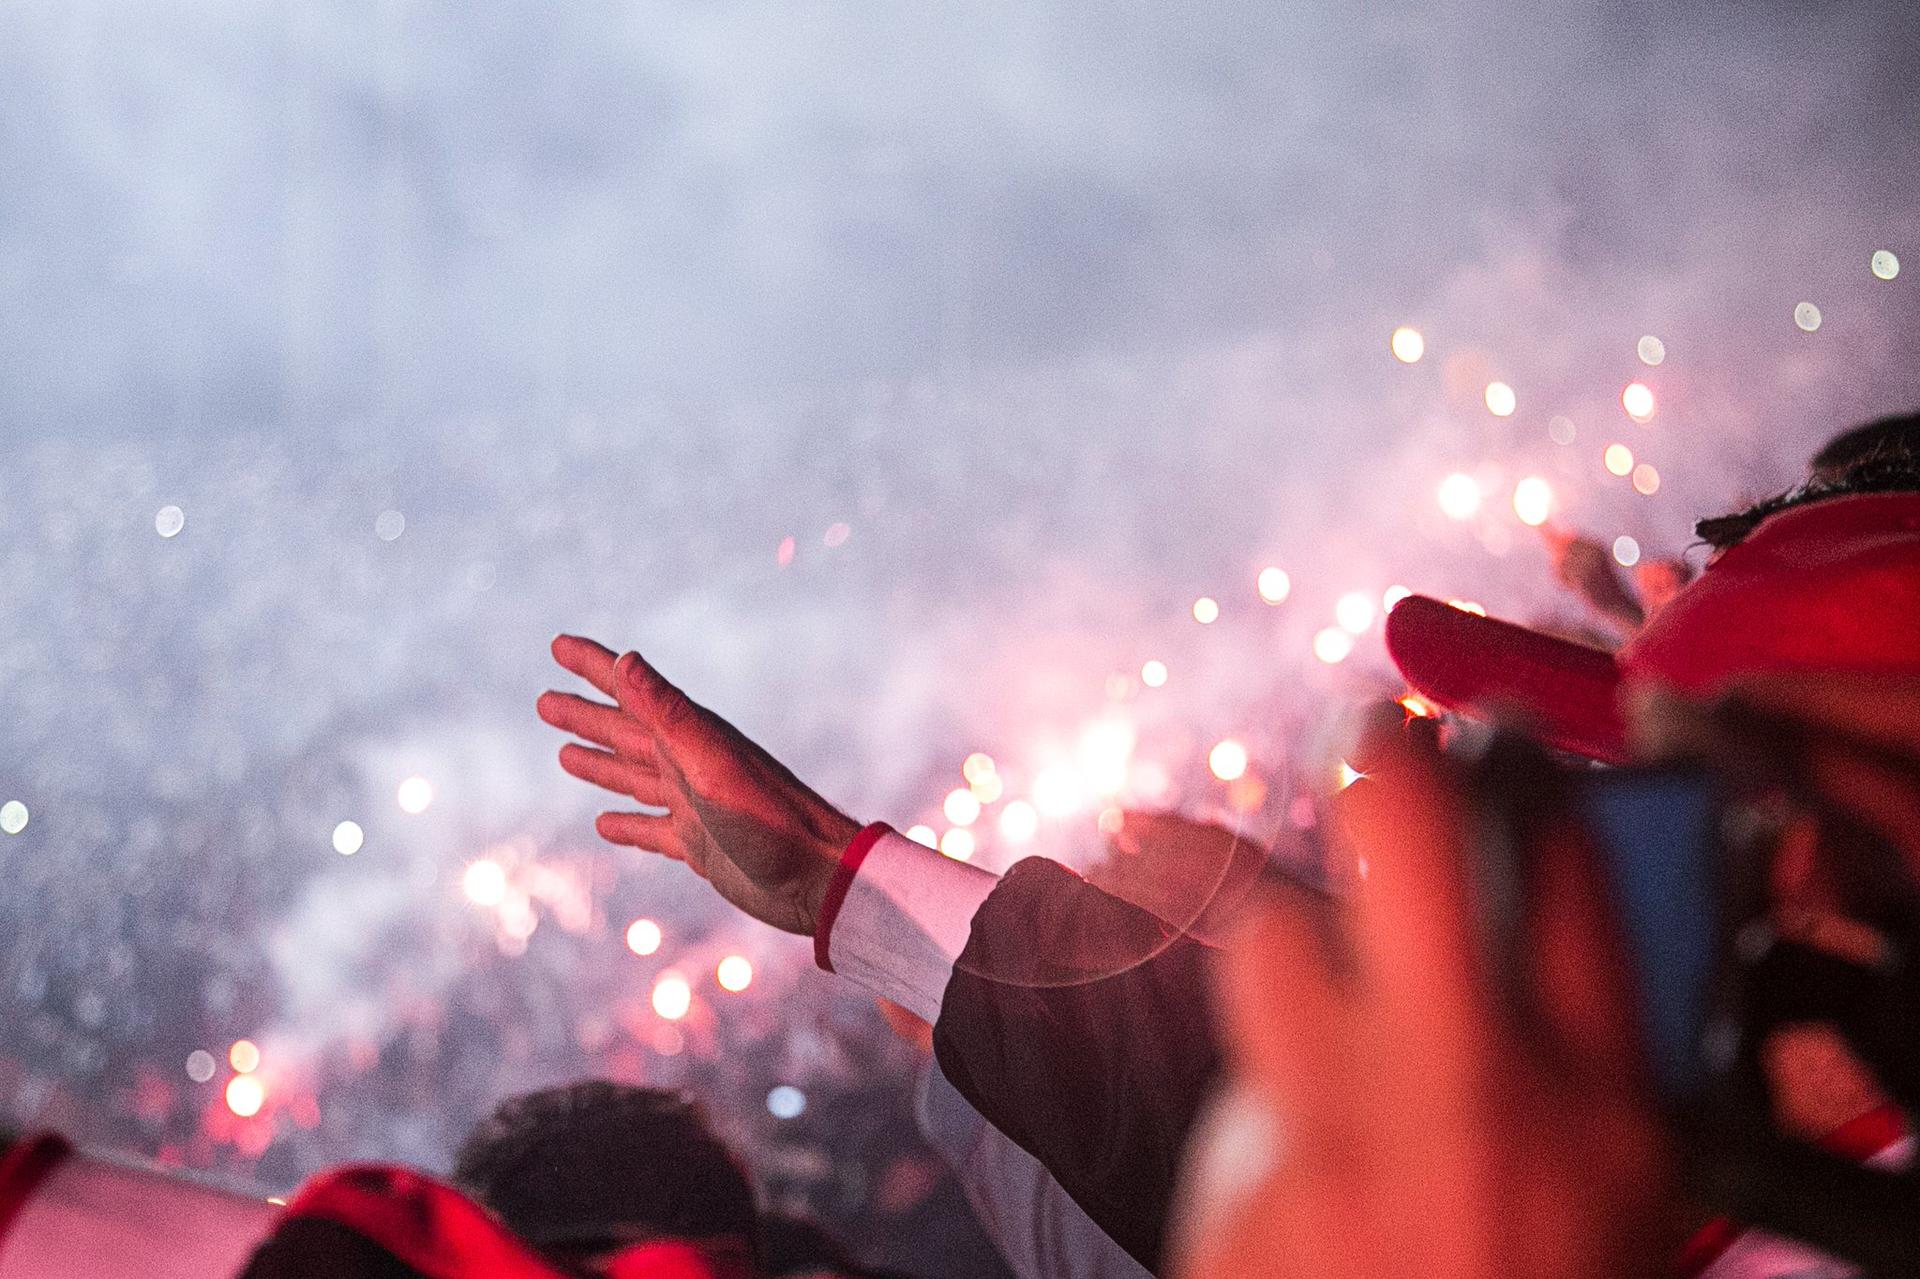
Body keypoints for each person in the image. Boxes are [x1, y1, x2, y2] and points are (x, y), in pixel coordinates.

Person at [537, 426, 1920, 1275]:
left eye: (1643, 811)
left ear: (1822, 878)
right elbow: (1193, 1092)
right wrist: (838, 871)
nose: (1579, 866)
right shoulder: (1630, 1166)